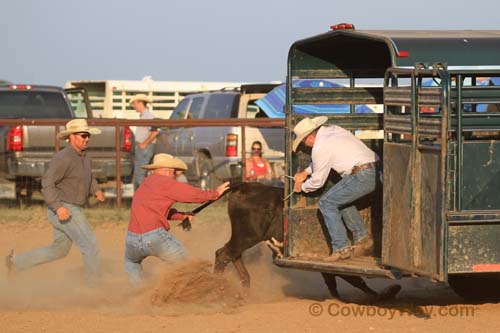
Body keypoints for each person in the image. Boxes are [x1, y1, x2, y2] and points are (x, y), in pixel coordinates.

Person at [5, 119, 105, 283]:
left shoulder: (84, 157)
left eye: (88, 136)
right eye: (83, 135)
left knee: (59, 250)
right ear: (71, 137)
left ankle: (16, 262)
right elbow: (47, 183)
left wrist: (96, 189)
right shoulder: (63, 157)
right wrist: (58, 208)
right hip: (65, 208)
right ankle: (93, 289)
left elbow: (89, 177)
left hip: (69, 208)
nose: (87, 139)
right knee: (90, 245)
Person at [124, 153, 230, 284]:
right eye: (174, 172)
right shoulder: (165, 182)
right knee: (190, 267)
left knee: (131, 262)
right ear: (168, 171)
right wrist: (215, 194)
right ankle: (208, 290)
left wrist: (182, 216)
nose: (174, 176)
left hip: (132, 240)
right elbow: (192, 195)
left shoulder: (146, 184)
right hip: (154, 236)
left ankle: (137, 295)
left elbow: (157, 210)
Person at [292, 116, 379, 261]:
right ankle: (362, 238)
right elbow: (324, 159)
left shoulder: (320, 146)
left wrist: (302, 187)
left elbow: (318, 182)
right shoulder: (333, 130)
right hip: (375, 170)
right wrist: (305, 172)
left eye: (302, 142)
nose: (305, 146)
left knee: (326, 203)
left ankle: (341, 248)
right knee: (339, 200)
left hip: (363, 175)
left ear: (309, 137)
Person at [130, 94, 159, 190]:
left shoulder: (148, 116)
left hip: (145, 147)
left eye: (134, 103)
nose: (133, 106)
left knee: (140, 174)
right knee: (139, 173)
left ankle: (145, 195)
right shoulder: (144, 115)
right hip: (143, 146)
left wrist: (144, 143)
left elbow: (154, 131)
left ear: (140, 103)